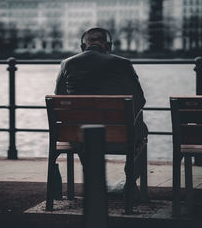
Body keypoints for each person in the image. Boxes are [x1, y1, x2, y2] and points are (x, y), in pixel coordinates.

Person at [54, 27, 148, 195]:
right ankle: (130, 179)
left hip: (78, 136)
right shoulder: (123, 64)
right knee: (142, 131)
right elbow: (139, 100)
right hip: (120, 135)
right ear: (108, 45)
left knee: (82, 127)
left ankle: (97, 181)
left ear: (83, 46)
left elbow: (59, 100)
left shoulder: (67, 64)